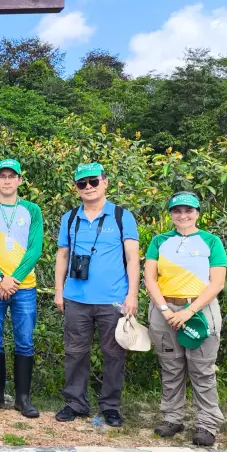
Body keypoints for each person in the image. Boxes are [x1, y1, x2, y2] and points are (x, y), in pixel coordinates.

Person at [54, 162, 140, 427]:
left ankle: (111, 406)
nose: (88, 187)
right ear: (76, 187)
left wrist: (132, 295)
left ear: (105, 182)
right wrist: (59, 291)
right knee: (75, 352)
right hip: (76, 298)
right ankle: (75, 403)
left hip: (113, 299)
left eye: (93, 181)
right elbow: (62, 255)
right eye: (82, 183)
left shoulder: (121, 216)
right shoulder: (70, 218)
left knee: (114, 354)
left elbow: (132, 258)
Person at [144, 192, 227, 447]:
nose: (183, 215)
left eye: (188, 210)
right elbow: (149, 278)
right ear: (170, 214)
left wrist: (189, 312)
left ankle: (207, 424)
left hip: (200, 311)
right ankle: (172, 417)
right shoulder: (159, 241)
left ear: (197, 213)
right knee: (171, 367)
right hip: (164, 311)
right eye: (177, 210)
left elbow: (217, 283)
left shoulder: (211, 241)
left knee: (202, 369)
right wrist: (165, 309)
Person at [0, 159, 43, 418]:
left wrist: (14, 279)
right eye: (2, 176)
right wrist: (0, 277)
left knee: (24, 342)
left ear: (20, 180)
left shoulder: (32, 210)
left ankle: (23, 399)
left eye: (12, 176)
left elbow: (35, 248)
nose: (7, 180)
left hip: (24, 287)